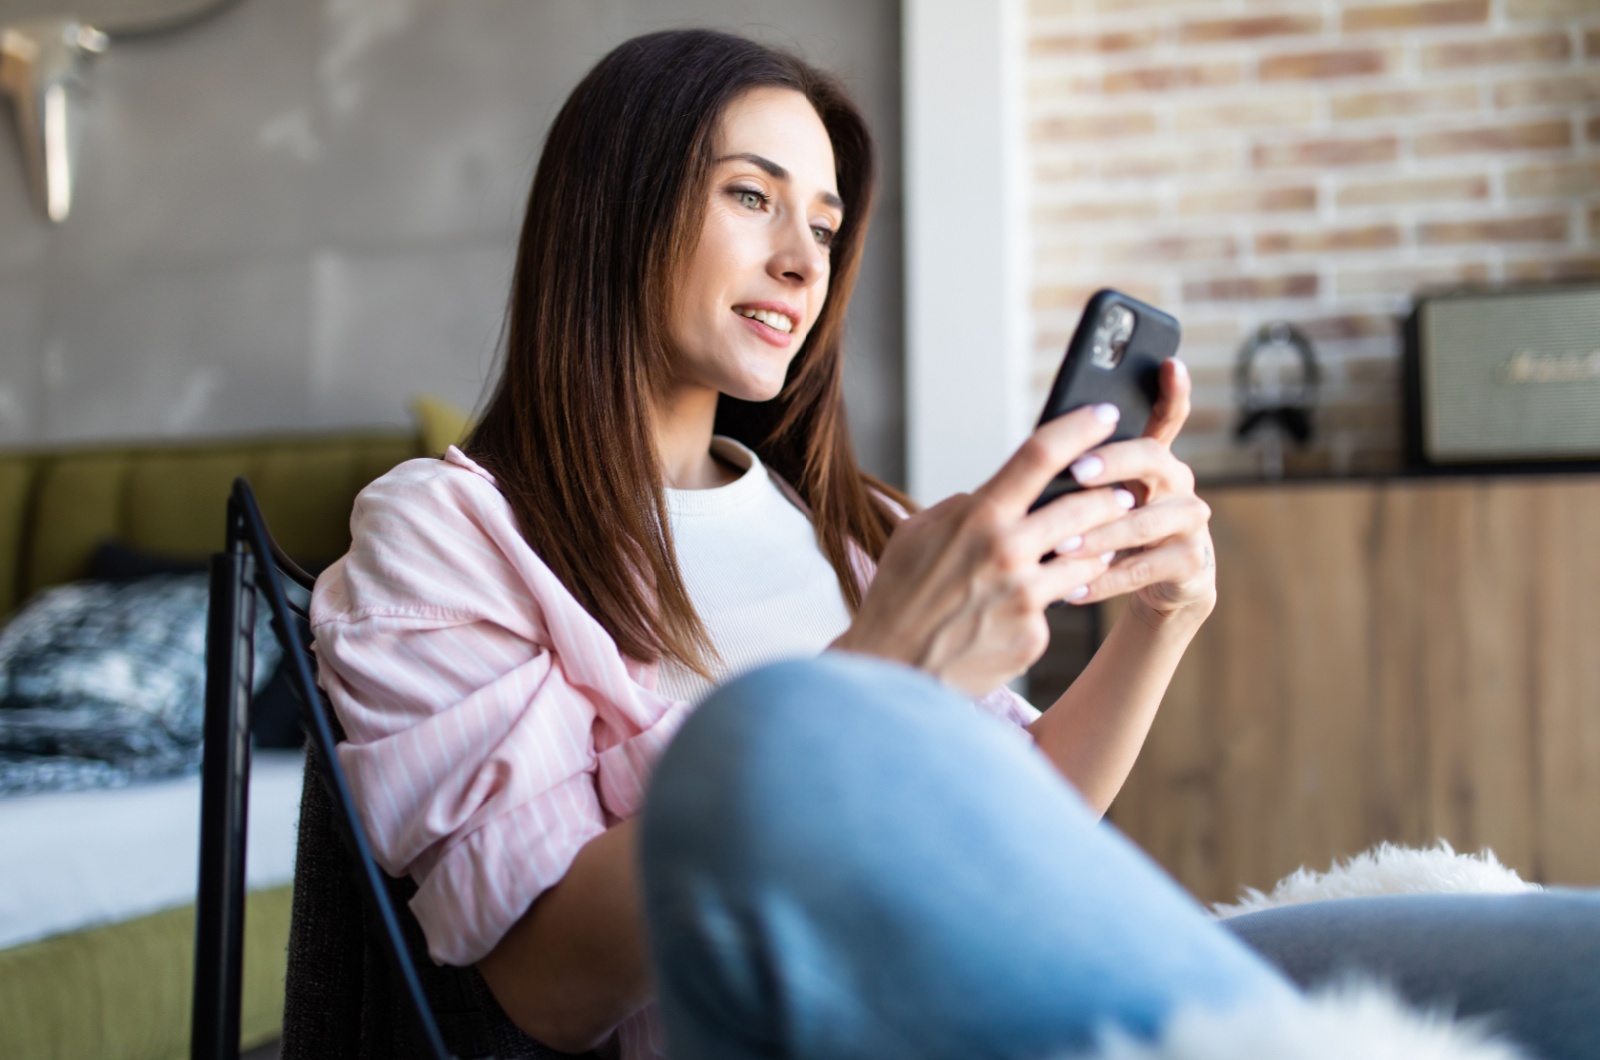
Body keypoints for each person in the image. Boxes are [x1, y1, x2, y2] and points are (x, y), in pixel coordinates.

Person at [311, 28, 1596, 1060]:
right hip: (873, 1018)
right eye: (750, 196)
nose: (798, 259)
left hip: (1054, 953)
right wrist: (877, 677)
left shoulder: (859, 522)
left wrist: (1157, 624)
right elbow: (540, 988)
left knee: (1571, 958)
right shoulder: (447, 529)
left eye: (820, 224)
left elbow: (1015, 817)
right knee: (765, 736)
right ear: (613, 211)